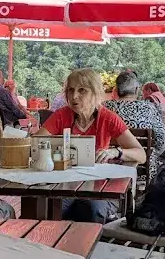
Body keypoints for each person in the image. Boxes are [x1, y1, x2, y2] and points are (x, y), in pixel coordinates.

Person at [38, 68, 146, 222]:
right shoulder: (61, 115)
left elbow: (141, 154)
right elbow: (37, 142)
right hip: (64, 185)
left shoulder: (108, 118)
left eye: (82, 90)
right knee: (46, 210)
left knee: (92, 210)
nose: (74, 96)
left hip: (98, 187)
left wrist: (116, 152)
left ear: (95, 93)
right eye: (70, 90)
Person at [103, 70, 165, 177]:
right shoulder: (149, 108)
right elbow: (161, 140)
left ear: (116, 90)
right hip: (143, 169)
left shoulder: (104, 107)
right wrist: (152, 154)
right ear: (137, 90)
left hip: (109, 167)